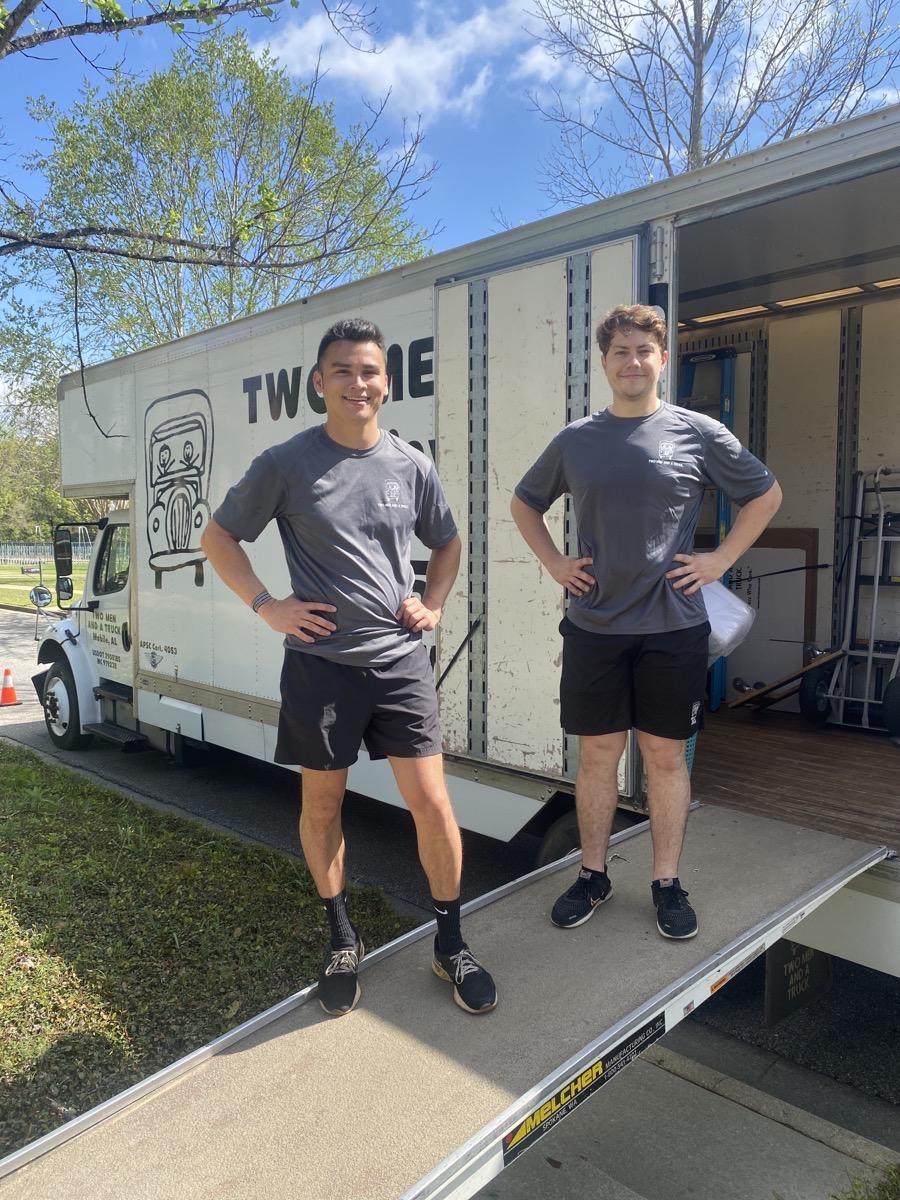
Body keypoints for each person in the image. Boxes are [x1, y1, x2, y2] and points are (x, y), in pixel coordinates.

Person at [201, 317, 497, 1017]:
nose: (356, 383)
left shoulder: (410, 463)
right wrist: (267, 604)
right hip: (320, 667)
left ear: (385, 383)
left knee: (432, 803)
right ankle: (341, 940)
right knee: (323, 805)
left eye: (368, 371)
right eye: (342, 371)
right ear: (319, 383)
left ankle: (449, 943)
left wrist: (434, 601)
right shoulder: (286, 462)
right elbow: (218, 536)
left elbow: (448, 543)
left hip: (399, 662)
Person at [511, 303, 782, 940]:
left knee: (664, 758)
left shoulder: (698, 432)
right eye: (620, 352)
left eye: (644, 352)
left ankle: (666, 883)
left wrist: (719, 560)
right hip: (595, 627)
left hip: (673, 627)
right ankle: (593, 874)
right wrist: (554, 563)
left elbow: (764, 495)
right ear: (603, 364)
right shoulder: (577, 438)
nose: (633, 362)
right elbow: (525, 502)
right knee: (598, 757)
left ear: (663, 359)